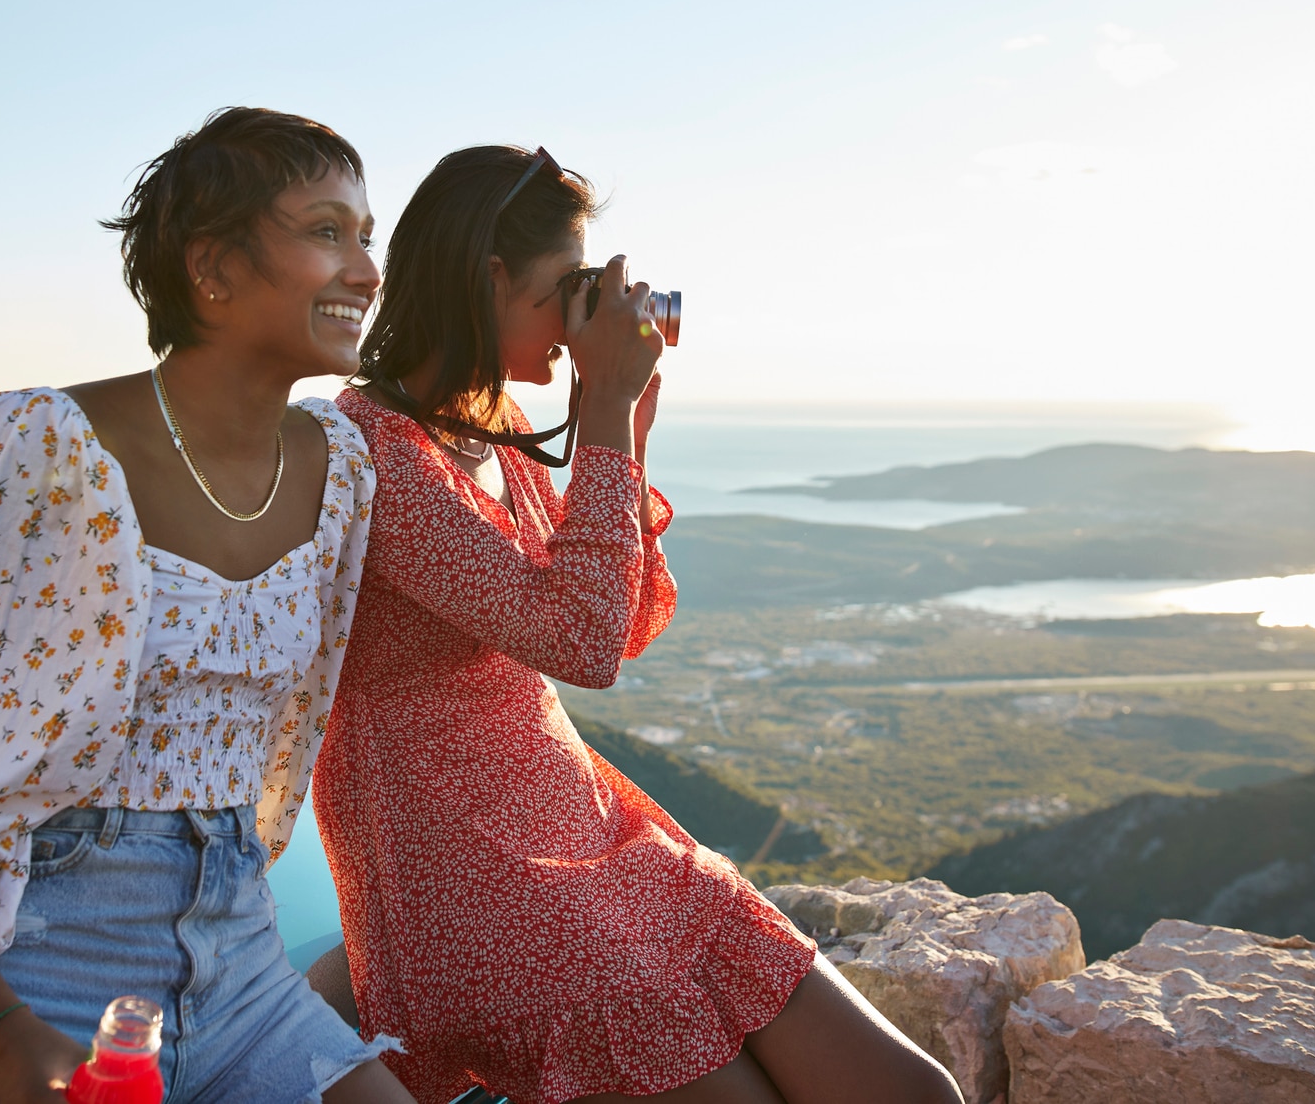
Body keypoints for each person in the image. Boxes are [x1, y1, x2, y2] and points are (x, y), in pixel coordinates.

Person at [0, 107, 414, 1104]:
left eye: (368, 235)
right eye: (328, 231)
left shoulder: (339, 465)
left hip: (239, 955)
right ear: (213, 268)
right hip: (34, 971)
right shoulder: (42, 449)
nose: (367, 267)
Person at [312, 147, 963, 1104]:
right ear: (489, 278)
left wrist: (625, 429)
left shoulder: (491, 430)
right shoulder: (371, 450)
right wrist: (605, 415)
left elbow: (619, 626)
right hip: (469, 878)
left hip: (587, 829)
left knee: (912, 1093)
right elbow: (577, 647)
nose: (585, 313)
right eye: (567, 286)